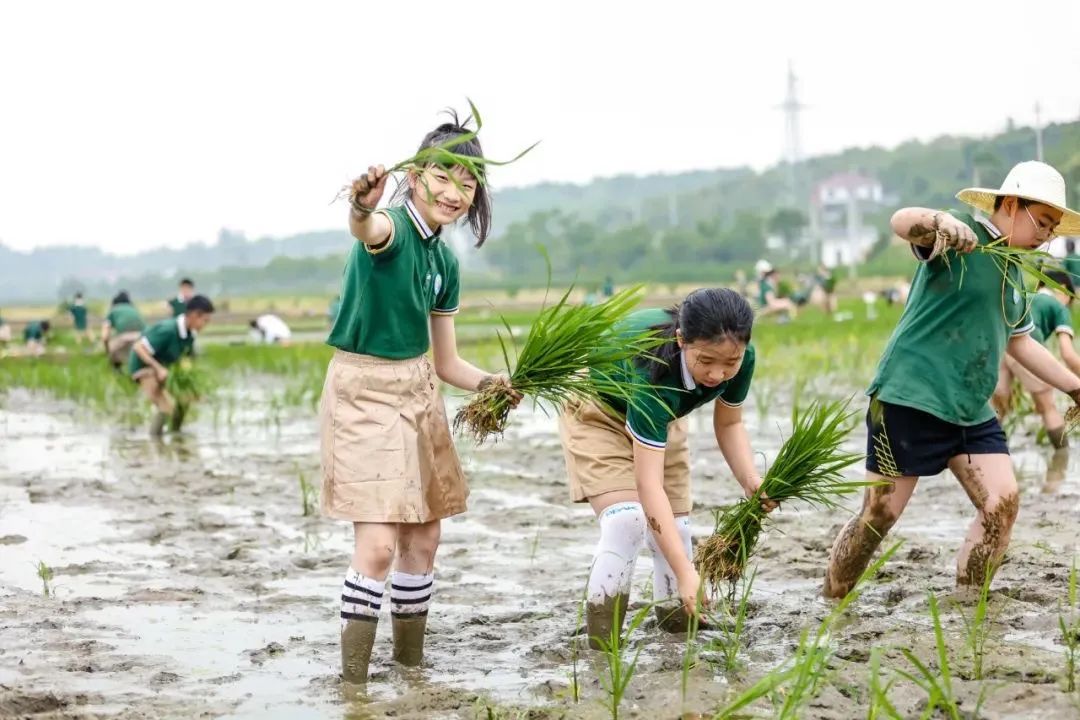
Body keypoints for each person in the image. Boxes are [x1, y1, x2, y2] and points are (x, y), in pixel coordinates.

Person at [322, 111, 519, 685]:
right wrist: (360, 206)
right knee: (379, 546)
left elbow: (447, 361)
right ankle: (353, 684)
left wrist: (493, 384)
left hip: (419, 389)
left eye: (468, 182)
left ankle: (410, 670)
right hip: (364, 392)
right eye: (443, 175)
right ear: (415, 176)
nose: (454, 192)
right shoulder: (392, 229)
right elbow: (367, 229)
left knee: (425, 537)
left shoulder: (444, 261)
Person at [824, 161, 1080, 599]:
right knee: (880, 514)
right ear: (1013, 204)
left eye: (1053, 229)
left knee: (1002, 503)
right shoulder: (960, 233)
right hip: (910, 397)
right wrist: (939, 221)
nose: (1046, 236)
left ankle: (968, 603)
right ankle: (832, 595)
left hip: (970, 407)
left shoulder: (1015, 272)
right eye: (1043, 222)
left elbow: (1022, 345)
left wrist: (1075, 387)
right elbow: (902, 221)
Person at [559, 288, 774, 646]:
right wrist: (687, 571)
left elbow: (730, 424)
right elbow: (648, 486)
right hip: (598, 411)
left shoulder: (741, 358)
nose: (717, 374)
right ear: (681, 340)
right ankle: (601, 642)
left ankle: (678, 628)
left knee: (677, 527)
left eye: (729, 363)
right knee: (626, 521)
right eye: (706, 361)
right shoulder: (653, 374)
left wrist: (751, 479)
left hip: (664, 418)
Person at [992, 271, 1080, 449]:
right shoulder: (1058, 306)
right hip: (1026, 348)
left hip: (1000, 348)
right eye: (1069, 299)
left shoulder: (1024, 296)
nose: (1068, 304)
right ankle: (1061, 458)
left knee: (998, 408)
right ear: (1062, 289)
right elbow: (1067, 353)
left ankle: (988, 451)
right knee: (1047, 408)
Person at [129, 295, 215, 435]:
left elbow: (186, 362)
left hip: (164, 368)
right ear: (194, 315)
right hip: (143, 367)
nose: (205, 325)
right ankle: (155, 443)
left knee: (185, 400)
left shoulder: (190, 335)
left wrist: (194, 391)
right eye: (205, 321)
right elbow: (139, 348)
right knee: (166, 406)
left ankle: (175, 435)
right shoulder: (168, 329)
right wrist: (159, 369)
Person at [102, 291, 146, 370]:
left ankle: (117, 371)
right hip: (143, 337)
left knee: (114, 348)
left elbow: (105, 337)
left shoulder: (113, 311)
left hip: (125, 338)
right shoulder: (134, 309)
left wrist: (107, 351)